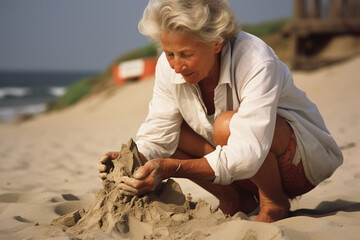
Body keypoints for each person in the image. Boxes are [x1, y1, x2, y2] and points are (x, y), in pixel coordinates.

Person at [98, 0, 343, 223]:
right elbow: (158, 135)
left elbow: (246, 154)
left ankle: (273, 202)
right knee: (174, 132)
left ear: (216, 42)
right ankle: (236, 199)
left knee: (227, 126)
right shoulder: (167, 67)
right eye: (170, 53)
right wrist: (132, 159)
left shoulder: (256, 58)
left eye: (186, 54)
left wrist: (173, 168)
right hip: (243, 168)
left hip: (300, 164)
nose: (176, 66)